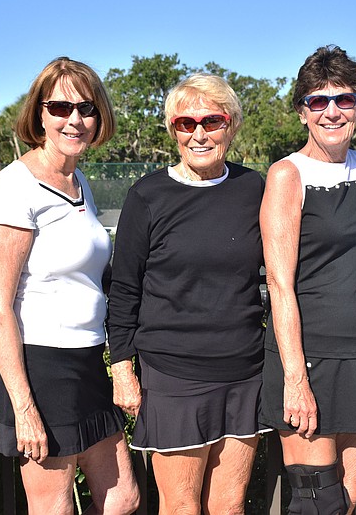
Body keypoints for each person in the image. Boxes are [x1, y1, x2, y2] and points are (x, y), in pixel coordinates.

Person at [0, 57, 139, 514]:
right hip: (42, 365)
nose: (74, 119)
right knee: (53, 507)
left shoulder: (79, 181)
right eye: (60, 107)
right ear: (39, 114)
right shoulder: (16, 187)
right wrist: (24, 406)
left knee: (123, 499)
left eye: (86, 108)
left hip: (88, 361)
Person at [107, 73, 267, 514]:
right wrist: (122, 369)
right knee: (180, 507)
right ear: (172, 130)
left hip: (244, 371)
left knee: (230, 508)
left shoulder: (254, 188)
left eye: (211, 120)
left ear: (231, 125)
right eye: (184, 123)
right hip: (173, 374)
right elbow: (124, 289)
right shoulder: (148, 195)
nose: (198, 133)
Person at [258, 45, 356, 515]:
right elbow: (278, 284)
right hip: (308, 360)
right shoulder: (288, 175)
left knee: (349, 500)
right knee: (317, 503)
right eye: (318, 101)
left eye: (344, 99)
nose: (332, 111)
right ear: (302, 113)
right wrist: (295, 378)